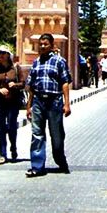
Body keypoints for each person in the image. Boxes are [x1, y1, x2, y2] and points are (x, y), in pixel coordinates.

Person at [25, 33, 72, 177]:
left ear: (52, 46)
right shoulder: (36, 62)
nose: (43, 46)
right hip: (39, 101)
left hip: (54, 101)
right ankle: (37, 166)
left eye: (46, 44)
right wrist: (29, 105)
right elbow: (31, 85)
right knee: (37, 134)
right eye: (41, 44)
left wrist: (67, 103)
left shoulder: (59, 61)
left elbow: (65, 82)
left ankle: (60, 160)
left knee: (56, 135)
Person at [0, 46, 24, 164]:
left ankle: (13, 147)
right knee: (1, 127)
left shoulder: (16, 68)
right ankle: (3, 154)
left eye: (3, 53)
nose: (1, 56)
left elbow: (23, 83)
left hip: (13, 102)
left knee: (12, 125)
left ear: (8, 55)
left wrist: (15, 85)